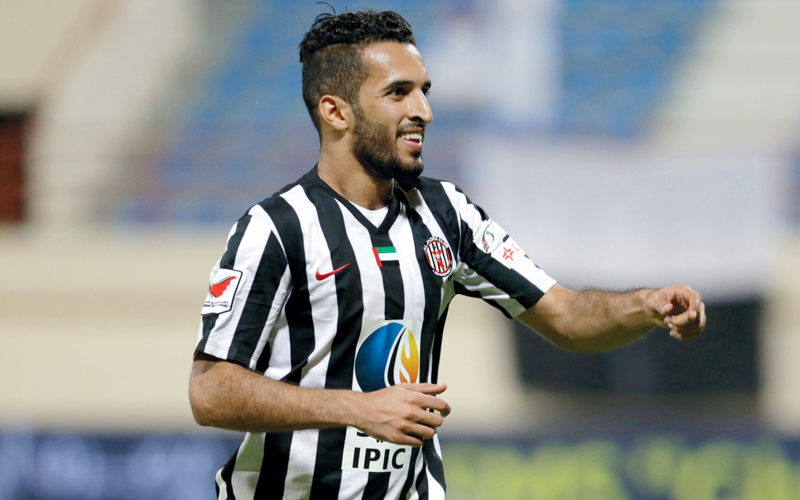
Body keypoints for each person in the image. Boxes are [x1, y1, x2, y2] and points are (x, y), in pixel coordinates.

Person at [188, 9, 706, 500]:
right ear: (335, 111)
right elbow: (211, 392)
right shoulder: (277, 228)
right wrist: (356, 409)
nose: (423, 111)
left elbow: (566, 315)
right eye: (398, 92)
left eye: (424, 91)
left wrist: (644, 305)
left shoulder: (446, 213)